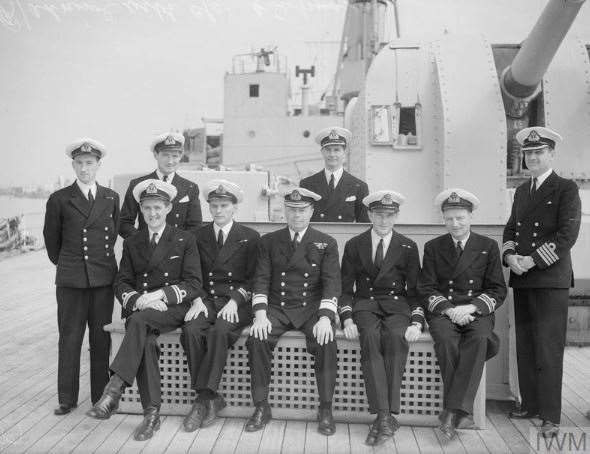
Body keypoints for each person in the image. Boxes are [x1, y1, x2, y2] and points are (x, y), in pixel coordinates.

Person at [86, 179, 204, 442]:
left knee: (138, 323)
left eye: (158, 208)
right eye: (147, 208)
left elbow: (194, 284)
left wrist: (159, 295)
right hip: (144, 310)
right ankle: (151, 415)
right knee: (146, 340)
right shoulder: (132, 241)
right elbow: (122, 282)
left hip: (173, 308)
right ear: (140, 209)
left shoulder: (184, 239)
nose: (152, 213)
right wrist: (140, 300)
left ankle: (114, 389)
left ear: (169, 208)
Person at [503, 127, 581, 438]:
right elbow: (511, 231)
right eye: (528, 153)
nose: (532, 157)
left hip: (549, 278)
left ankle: (550, 414)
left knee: (548, 348)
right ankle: (531, 404)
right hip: (523, 278)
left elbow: (567, 235)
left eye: (538, 152)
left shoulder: (566, 188)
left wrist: (532, 260)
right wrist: (510, 258)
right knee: (526, 344)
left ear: (551, 154)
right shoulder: (522, 191)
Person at [245, 188, 341, 435]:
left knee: (326, 340)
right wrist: (260, 314)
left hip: (310, 307)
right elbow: (261, 279)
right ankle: (261, 406)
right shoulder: (269, 241)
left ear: (311, 211)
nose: (297, 215)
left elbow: (332, 283)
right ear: (285, 211)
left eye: (302, 210)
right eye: (292, 210)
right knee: (257, 338)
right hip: (278, 307)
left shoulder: (326, 242)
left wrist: (325, 318)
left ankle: (326, 408)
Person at [419, 188, 506, 440]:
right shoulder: (434, 247)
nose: (454, 224)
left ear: (470, 216)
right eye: (449, 218)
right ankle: (462, 412)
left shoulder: (487, 246)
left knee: (479, 339)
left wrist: (471, 307)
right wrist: (449, 310)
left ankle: (450, 411)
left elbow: (498, 289)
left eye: (460, 217)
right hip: (445, 310)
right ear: (443, 219)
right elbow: (426, 287)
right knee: (446, 342)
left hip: (475, 311)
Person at [339, 190, 423, 446]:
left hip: (398, 306)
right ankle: (385, 416)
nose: (383, 220)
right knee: (371, 339)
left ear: (396, 216)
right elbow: (345, 289)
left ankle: (385, 415)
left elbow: (415, 290)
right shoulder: (355, 244)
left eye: (388, 215)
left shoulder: (408, 246)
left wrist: (417, 321)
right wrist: (347, 319)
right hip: (365, 305)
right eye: (378, 214)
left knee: (397, 338)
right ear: (369, 214)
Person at [43, 138, 120, 415]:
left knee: (101, 340)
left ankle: (100, 396)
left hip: (102, 280)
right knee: (70, 338)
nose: (84, 168)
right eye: (79, 163)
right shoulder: (60, 199)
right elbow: (52, 242)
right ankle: (67, 397)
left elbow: (110, 238)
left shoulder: (111, 197)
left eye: (89, 163)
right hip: (71, 280)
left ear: (99, 164)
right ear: (73, 165)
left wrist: (96, 265)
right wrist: (70, 265)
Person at [181, 179, 260, 431]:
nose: (218, 210)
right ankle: (210, 399)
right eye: (213, 205)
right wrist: (197, 299)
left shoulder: (250, 237)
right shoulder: (197, 236)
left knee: (219, 331)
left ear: (234, 207)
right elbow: (192, 274)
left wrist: (236, 301)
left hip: (237, 302)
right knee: (191, 330)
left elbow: (255, 279)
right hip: (207, 299)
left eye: (224, 205)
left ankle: (202, 400)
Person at [119, 132, 201, 238]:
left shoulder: (190, 188)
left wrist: (179, 245)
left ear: (180, 156)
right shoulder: (138, 185)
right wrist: (141, 242)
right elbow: (124, 223)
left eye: (175, 156)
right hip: (146, 250)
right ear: (156, 155)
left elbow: (195, 226)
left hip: (177, 251)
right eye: (165, 155)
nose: (170, 161)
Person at [300, 126, 369, 222]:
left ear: (344, 152)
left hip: (345, 236)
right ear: (322, 152)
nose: (332, 154)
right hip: (316, 236)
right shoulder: (307, 184)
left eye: (337, 150)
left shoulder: (359, 186)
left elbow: (364, 225)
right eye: (328, 150)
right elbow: (302, 221)